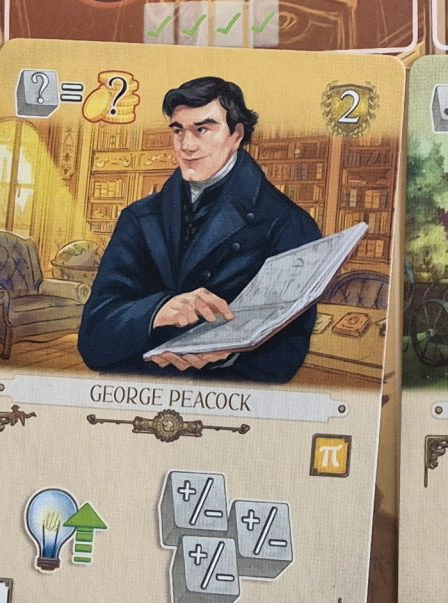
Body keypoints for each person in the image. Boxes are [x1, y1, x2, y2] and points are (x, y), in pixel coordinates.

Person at [76, 75, 325, 382]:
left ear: (236, 135)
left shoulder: (287, 223)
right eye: (178, 130)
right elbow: (94, 338)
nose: (187, 146)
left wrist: (227, 356)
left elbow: (288, 352)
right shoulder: (139, 218)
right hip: (137, 389)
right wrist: (158, 311)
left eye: (202, 129)